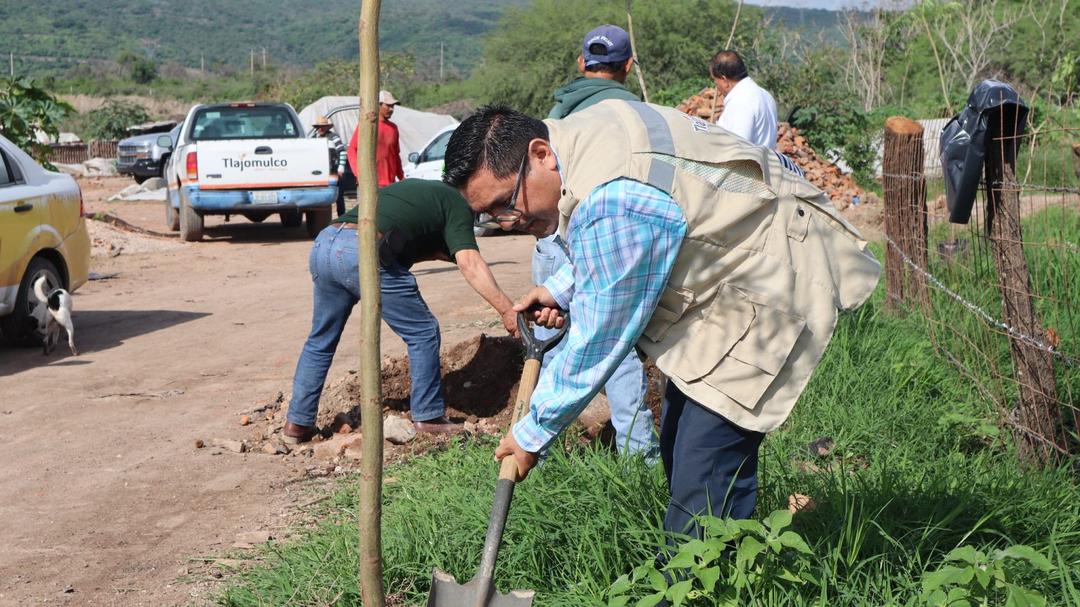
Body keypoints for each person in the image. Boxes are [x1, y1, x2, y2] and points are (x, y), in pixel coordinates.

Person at [442, 102, 880, 538]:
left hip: (776, 276)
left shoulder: (614, 193)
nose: (508, 222)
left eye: (504, 204)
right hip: (730, 271)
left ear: (540, 154)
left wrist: (531, 434)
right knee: (679, 441)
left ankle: (698, 583)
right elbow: (624, 241)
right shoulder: (581, 137)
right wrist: (560, 287)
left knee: (705, 470)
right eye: (490, 216)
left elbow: (600, 336)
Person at [283, 179, 519, 443]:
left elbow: (414, 243)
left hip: (325, 244)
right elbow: (470, 264)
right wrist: (508, 312)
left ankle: (297, 424)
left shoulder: (421, 192)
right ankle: (428, 416)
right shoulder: (458, 205)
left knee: (321, 339)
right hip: (361, 249)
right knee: (423, 331)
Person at [535, 24, 656, 458]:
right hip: (603, 239)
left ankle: (535, 454)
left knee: (550, 349)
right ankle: (637, 457)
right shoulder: (638, 115)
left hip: (552, 244)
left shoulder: (557, 113)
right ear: (627, 66)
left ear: (581, 63)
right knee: (616, 347)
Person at [710, 50, 778, 149]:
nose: (716, 86)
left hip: (746, 164)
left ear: (724, 80)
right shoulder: (766, 95)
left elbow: (737, 149)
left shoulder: (741, 101)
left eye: (715, 81)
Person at [347, 90, 405, 188]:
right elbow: (352, 150)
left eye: (393, 106)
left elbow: (395, 155)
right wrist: (359, 174)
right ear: (378, 105)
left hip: (390, 183)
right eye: (388, 105)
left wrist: (402, 177)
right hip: (370, 184)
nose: (391, 109)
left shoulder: (393, 128)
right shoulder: (367, 125)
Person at [311, 115, 350, 215]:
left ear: (328, 127)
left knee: (339, 196)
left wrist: (340, 169)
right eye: (318, 126)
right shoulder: (314, 138)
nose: (320, 128)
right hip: (320, 172)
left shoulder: (334, 137)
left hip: (334, 170)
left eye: (323, 126)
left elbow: (342, 152)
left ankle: (341, 217)